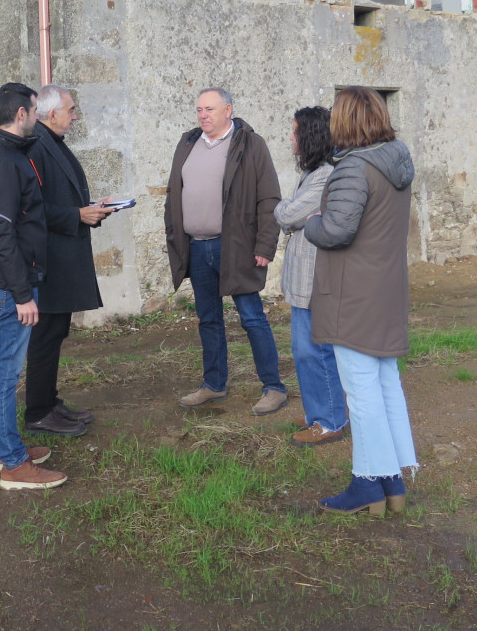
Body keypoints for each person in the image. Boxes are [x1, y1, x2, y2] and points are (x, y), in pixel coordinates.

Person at [304, 86, 417, 515]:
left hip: (353, 295)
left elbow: (337, 231)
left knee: (361, 389)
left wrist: (312, 222)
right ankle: (392, 480)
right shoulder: (395, 161)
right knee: (386, 383)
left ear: (346, 120)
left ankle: (367, 484)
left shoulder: (354, 169)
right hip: (384, 289)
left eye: (335, 114)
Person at [0, 82, 66, 491]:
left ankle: (8, 449)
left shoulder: (2, 154)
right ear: (21, 115)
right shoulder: (2, 162)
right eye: (35, 111)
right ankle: (12, 465)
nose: (39, 118)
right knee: (4, 374)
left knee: (2, 370)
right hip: (10, 287)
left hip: (9, 283)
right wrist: (23, 293)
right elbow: (1, 232)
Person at [165, 87, 287, 415]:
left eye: (210, 109)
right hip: (197, 246)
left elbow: (269, 198)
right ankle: (214, 384)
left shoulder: (250, 144)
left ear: (228, 109)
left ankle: (273, 387)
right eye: (199, 110)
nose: (203, 115)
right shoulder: (188, 143)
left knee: (251, 317)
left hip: (235, 247)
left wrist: (264, 245)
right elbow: (173, 193)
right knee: (208, 319)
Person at [24, 84, 114, 437]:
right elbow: (31, 209)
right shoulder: (36, 146)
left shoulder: (51, 142)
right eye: (72, 109)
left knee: (55, 331)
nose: (76, 116)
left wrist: (91, 210)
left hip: (61, 256)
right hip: (48, 259)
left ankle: (49, 402)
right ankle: (37, 412)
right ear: (51, 114)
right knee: (45, 335)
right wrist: (77, 215)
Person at [274, 106, 348, 446]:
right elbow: (295, 214)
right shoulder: (313, 172)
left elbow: (287, 213)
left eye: (294, 131)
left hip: (314, 278)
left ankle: (330, 420)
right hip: (304, 277)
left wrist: (288, 211)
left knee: (313, 351)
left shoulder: (323, 177)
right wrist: (294, 213)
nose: (290, 137)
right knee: (304, 348)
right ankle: (319, 413)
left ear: (310, 135)